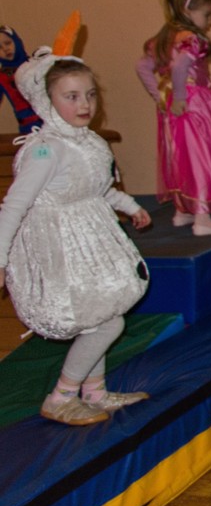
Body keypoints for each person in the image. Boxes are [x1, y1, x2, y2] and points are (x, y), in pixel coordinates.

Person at [0, 49, 152, 425]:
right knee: (108, 323)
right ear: (46, 100)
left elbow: (96, 187)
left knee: (100, 317)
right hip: (60, 248)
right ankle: (61, 397)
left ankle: (94, 392)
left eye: (90, 95)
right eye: (71, 96)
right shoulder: (46, 150)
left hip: (89, 242)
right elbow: (14, 206)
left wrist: (130, 206)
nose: (84, 104)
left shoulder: (87, 142)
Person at [137, 0, 211, 236]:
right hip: (195, 103)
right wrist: (181, 96)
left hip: (174, 104)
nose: (209, 22)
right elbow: (181, 66)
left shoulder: (163, 40)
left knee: (182, 157)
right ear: (188, 12)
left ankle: (183, 211)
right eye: (207, 16)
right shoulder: (191, 39)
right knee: (203, 155)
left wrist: (160, 96)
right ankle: (202, 218)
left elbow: (143, 67)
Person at [0, 25, 43, 133]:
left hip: (50, 122)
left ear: (17, 42)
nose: (5, 49)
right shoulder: (2, 77)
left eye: (7, 43)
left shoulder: (35, 64)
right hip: (27, 127)